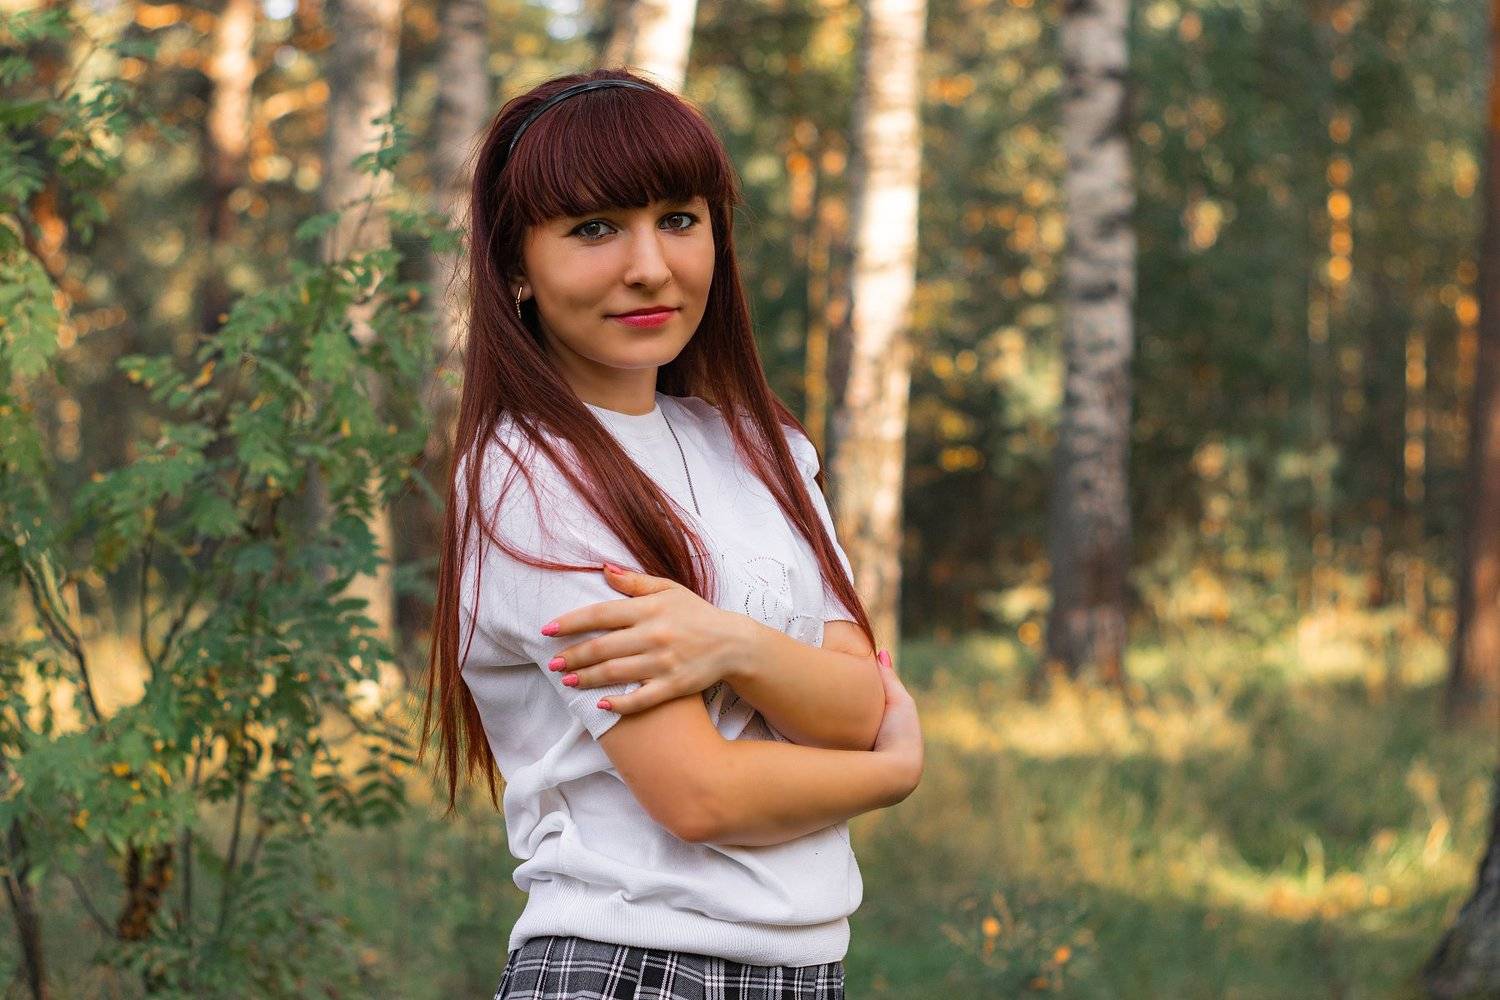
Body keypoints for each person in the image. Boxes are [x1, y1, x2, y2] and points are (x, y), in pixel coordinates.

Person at [418, 68, 924, 1000]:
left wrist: (729, 643)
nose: (650, 266)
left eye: (679, 219)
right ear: (516, 267)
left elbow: (854, 707)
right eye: (594, 228)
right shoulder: (531, 477)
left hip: (804, 975)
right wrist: (891, 771)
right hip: (629, 967)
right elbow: (701, 793)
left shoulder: (762, 451)